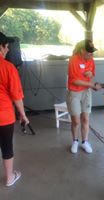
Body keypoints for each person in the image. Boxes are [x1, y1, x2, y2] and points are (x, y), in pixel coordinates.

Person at [0, 32, 29, 186]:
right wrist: (23, 115)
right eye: (6, 47)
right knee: (6, 147)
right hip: (3, 117)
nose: (8, 50)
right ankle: (9, 178)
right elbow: (17, 96)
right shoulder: (8, 67)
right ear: (1, 47)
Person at [66, 39, 99, 154]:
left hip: (86, 92)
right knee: (76, 121)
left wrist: (91, 74)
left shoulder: (91, 60)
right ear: (82, 50)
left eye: (92, 52)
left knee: (85, 118)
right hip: (74, 93)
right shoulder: (73, 60)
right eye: (89, 52)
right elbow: (74, 80)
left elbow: (92, 73)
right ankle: (75, 141)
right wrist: (91, 84)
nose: (91, 54)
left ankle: (84, 142)